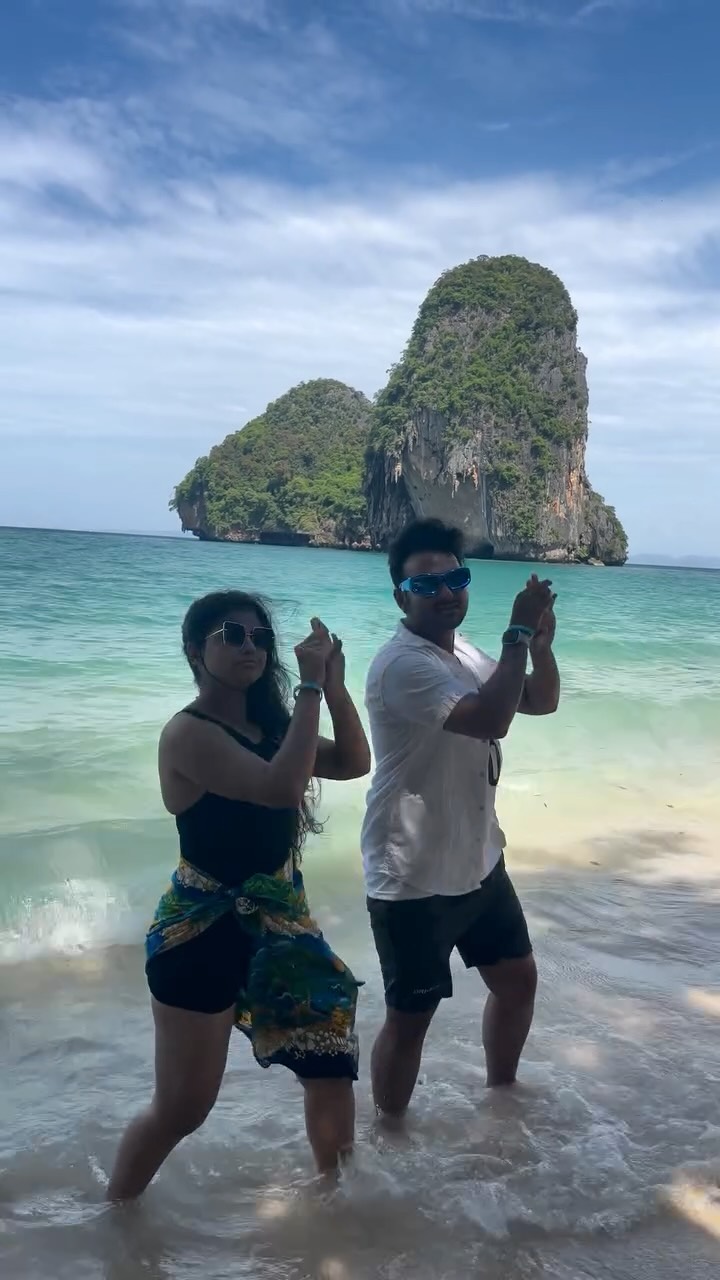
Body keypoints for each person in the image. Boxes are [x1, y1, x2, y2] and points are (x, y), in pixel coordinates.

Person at [108, 590, 371, 1200]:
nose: (250, 647)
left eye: (260, 637)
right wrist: (309, 689)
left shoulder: (272, 728)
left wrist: (332, 686)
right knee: (183, 1108)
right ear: (194, 650)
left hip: (281, 925)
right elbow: (279, 789)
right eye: (232, 635)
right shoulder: (188, 733)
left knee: (330, 1065)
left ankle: (340, 1208)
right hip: (201, 933)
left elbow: (354, 761)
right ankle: (116, 1216)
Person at [361, 518, 559, 1119]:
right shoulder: (402, 665)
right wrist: (517, 631)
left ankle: (502, 1100)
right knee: (411, 1017)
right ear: (401, 597)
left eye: (457, 579)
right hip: (413, 874)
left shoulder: (465, 651)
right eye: (426, 585)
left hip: (478, 859)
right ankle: (390, 1134)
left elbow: (537, 701)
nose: (446, 592)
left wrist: (539, 646)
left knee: (518, 981)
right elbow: (492, 720)